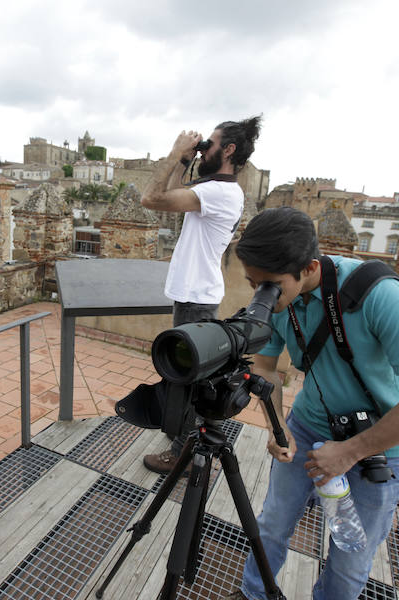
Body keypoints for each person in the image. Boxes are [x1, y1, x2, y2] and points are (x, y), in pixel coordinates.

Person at [226, 207, 399, 600]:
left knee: (350, 558)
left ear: (309, 268)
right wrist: (277, 427)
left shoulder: (380, 296)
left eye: (270, 285)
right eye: (252, 283)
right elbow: (265, 368)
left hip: (377, 444)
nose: (262, 295)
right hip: (306, 426)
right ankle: (253, 593)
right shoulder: (277, 296)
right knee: (272, 525)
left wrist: (350, 452)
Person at [139, 116, 262, 474]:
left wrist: (176, 153)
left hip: (197, 298)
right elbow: (171, 192)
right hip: (195, 294)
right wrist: (185, 160)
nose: (204, 150)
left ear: (229, 150)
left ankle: (184, 455)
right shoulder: (218, 189)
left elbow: (151, 198)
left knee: (190, 378)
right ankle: (183, 436)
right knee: (187, 373)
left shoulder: (218, 192)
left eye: (210, 143)